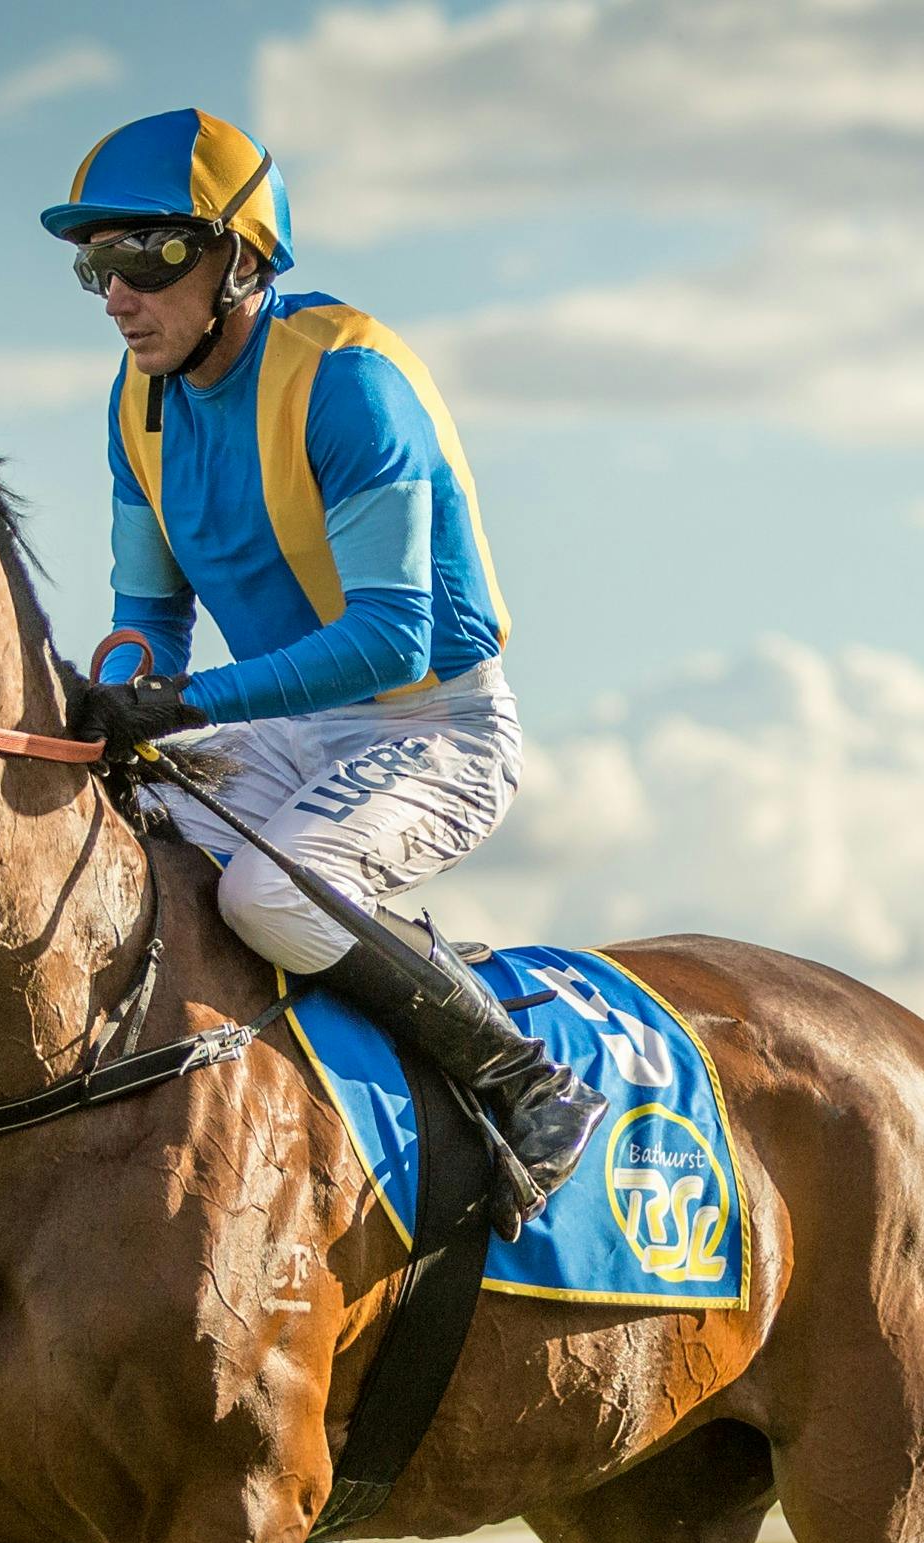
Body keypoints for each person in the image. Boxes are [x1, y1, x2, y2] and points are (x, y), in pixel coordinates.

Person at [47, 108, 601, 1220]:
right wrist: (122, 691)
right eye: (95, 265)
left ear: (238, 258)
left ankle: (523, 1076)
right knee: (103, 852)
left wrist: (184, 702)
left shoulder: (346, 381)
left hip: (433, 723)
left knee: (267, 894)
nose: (116, 295)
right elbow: (149, 615)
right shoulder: (136, 404)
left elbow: (391, 637)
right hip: (284, 729)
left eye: (145, 257)